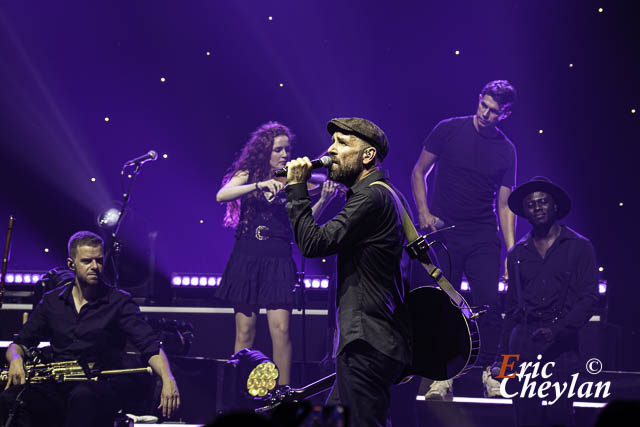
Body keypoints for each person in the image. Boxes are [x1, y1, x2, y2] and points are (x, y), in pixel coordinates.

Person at [285, 117, 412, 426]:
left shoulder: (372, 197)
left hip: (366, 341)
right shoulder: (387, 194)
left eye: (343, 143)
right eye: (333, 141)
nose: (332, 149)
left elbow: (313, 244)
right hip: (370, 338)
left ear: (368, 155)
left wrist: (296, 188)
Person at [0, 231, 180, 427]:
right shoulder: (52, 301)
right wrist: (16, 360)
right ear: (71, 264)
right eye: (87, 261)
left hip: (100, 385)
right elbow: (18, 344)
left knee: (83, 397)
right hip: (57, 384)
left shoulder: (118, 301)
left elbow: (150, 346)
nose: (95, 267)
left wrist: (167, 378)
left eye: (99, 260)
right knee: (12, 398)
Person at [411, 80, 517, 398]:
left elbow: (504, 204)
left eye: (494, 110)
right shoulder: (449, 129)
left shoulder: (506, 149)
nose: (485, 113)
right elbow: (418, 171)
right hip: (444, 231)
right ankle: (442, 375)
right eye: (483, 105)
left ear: (505, 113)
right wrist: (423, 213)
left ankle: (489, 372)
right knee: (442, 305)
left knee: (488, 303)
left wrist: (511, 251)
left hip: (483, 234)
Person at [215, 121, 337, 386]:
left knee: (281, 331)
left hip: (279, 260)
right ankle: (240, 391)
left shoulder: (293, 181)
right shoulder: (250, 173)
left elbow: (302, 224)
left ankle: (282, 393)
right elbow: (222, 195)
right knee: (245, 331)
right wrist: (258, 185)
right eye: (278, 150)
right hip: (247, 257)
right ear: (264, 152)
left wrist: (324, 200)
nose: (284, 155)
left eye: (286, 149)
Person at [498, 176, 598, 427]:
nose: (538, 207)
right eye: (531, 205)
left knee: (560, 417)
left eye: (543, 202)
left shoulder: (579, 247)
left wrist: (557, 330)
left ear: (554, 206)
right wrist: (504, 365)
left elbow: (589, 299)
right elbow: (511, 312)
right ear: (524, 212)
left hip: (561, 344)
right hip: (523, 343)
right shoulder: (517, 254)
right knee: (524, 417)